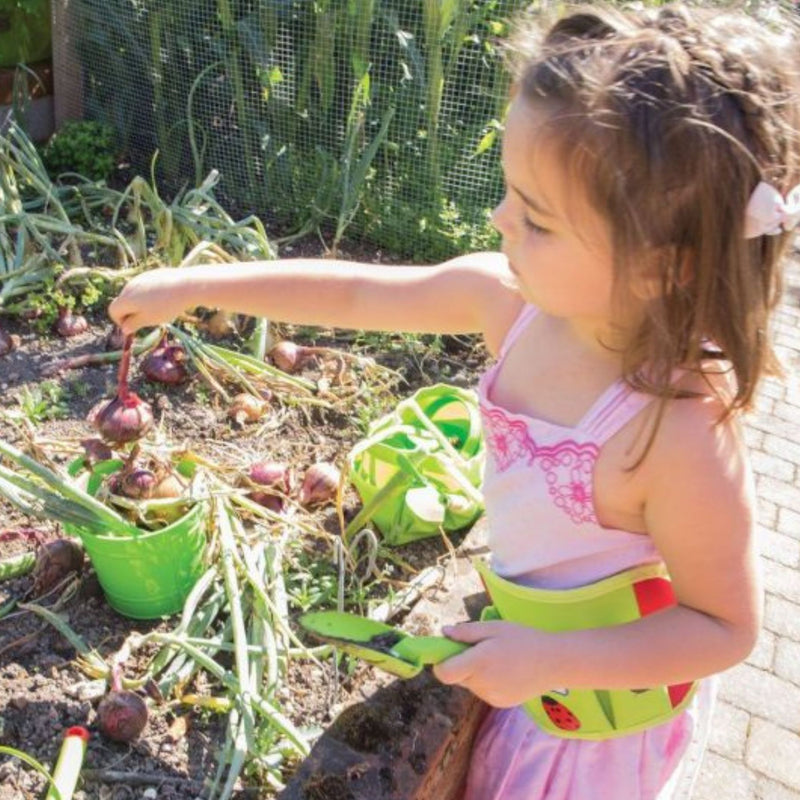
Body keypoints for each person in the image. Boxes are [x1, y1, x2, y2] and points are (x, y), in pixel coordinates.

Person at [109, 3, 800, 797]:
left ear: (661, 267)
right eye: (510, 194)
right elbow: (361, 296)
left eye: (536, 219)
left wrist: (548, 660)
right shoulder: (510, 304)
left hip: (592, 731)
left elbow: (723, 628)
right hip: (525, 672)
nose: (500, 219)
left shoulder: (675, 425)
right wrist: (195, 285)